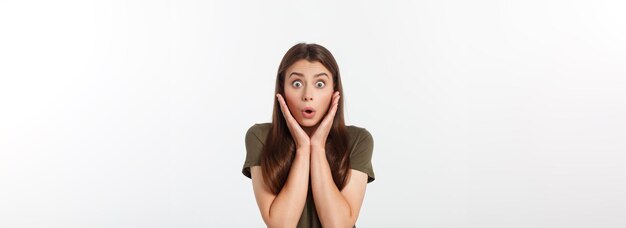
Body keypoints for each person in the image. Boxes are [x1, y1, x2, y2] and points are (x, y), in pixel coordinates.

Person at [242, 43, 375, 228]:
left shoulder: (358, 140)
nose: (308, 95)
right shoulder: (261, 137)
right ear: (282, 88)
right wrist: (303, 148)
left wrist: (317, 148)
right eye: (297, 83)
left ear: (334, 90)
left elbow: (338, 225)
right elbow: (281, 225)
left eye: (320, 84)